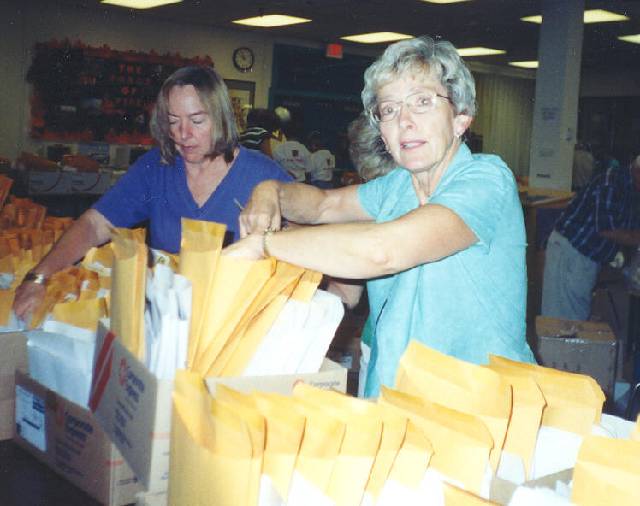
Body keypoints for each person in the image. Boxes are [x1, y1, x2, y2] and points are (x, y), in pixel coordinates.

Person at [225, 36, 535, 397]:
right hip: (394, 397)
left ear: (460, 119)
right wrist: (269, 191)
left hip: (474, 413)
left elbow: (383, 250)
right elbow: (323, 204)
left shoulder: (487, 180)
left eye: (422, 102)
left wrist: (263, 245)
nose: (404, 121)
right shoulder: (397, 187)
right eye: (389, 109)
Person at [13, 65, 291, 319]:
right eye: (173, 121)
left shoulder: (262, 174)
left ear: (221, 118)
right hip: (167, 319)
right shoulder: (157, 169)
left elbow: (313, 230)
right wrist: (38, 276)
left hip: (238, 320)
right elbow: (95, 223)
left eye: (197, 120)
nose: (183, 133)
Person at [542, 154, 640, 321]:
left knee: (575, 317)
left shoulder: (633, 190)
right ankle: (556, 347)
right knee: (562, 320)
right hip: (571, 252)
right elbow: (607, 229)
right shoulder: (611, 181)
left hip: (586, 257)